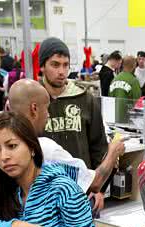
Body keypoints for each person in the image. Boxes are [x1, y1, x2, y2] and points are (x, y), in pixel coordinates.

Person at [0, 79, 124, 214]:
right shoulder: (44, 148)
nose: (48, 115)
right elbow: (95, 183)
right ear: (34, 109)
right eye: (47, 109)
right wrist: (113, 151)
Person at [39, 38, 109, 170]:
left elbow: (99, 146)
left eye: (65, 65)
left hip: (81, 183)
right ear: (42, 66)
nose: (61, 71)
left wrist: (99, 186)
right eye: (55, 64)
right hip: (44, 185)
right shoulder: (33, 100)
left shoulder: (85, 99)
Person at [110, 54, 142, 119]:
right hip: (128, 119)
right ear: (134, 65)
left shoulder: (114, 79)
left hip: (114, 117)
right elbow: (138, 101)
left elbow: (110, 98)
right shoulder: (134, 81)